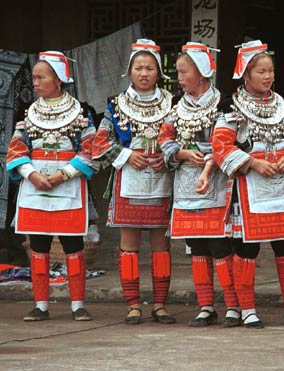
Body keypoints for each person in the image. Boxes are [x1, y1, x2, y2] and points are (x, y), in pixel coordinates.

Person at [212, 40, 284, 328]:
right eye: (261, 72)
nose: (267, 77)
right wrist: (253, 163)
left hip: (283, 185)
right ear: (246, 75)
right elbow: (220, 145)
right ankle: (247, 309)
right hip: (249, 189)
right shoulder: (232, 107)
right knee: (246, 250)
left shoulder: (282, 104)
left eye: (270, 71)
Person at [7, 51, 99, 321]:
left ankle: (77, 304)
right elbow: (16, 149)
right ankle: (41, 305)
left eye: (40, 77)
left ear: (57, 80)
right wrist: (32, 174)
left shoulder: (80, 114)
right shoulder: (28, 114)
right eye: (34, 77)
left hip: (68, 187)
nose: (35, 82)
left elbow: (91, 151)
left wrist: (63, 175)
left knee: (73, 246)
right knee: (38, 245)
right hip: (34, 186)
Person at [93, 39, 175, 325]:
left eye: (150, 68)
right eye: (139, 68)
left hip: (162, 180)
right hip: (129, 179)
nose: (144, 73)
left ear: (158, 71)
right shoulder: (116, 105)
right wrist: (127, 155)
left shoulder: (171, 103)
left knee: (160, 245)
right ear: (129, 71)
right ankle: (133, 304)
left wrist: (168, 156)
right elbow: (100, 141)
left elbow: (181, 138)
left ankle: (160, 304)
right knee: (129, 245)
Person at [158, 42, 240, 327]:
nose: (179, 78)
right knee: (197, 247)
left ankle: (233, 305)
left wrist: (208, 159)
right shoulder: (176, 108)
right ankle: (206, 306)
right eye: (178, 73)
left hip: (217, 182)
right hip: (187, 184)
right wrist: (180, 153)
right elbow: (165, 139)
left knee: (220, 246)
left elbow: (231, 141)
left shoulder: (224, 104)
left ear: (202, 73)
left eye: (184, 72)